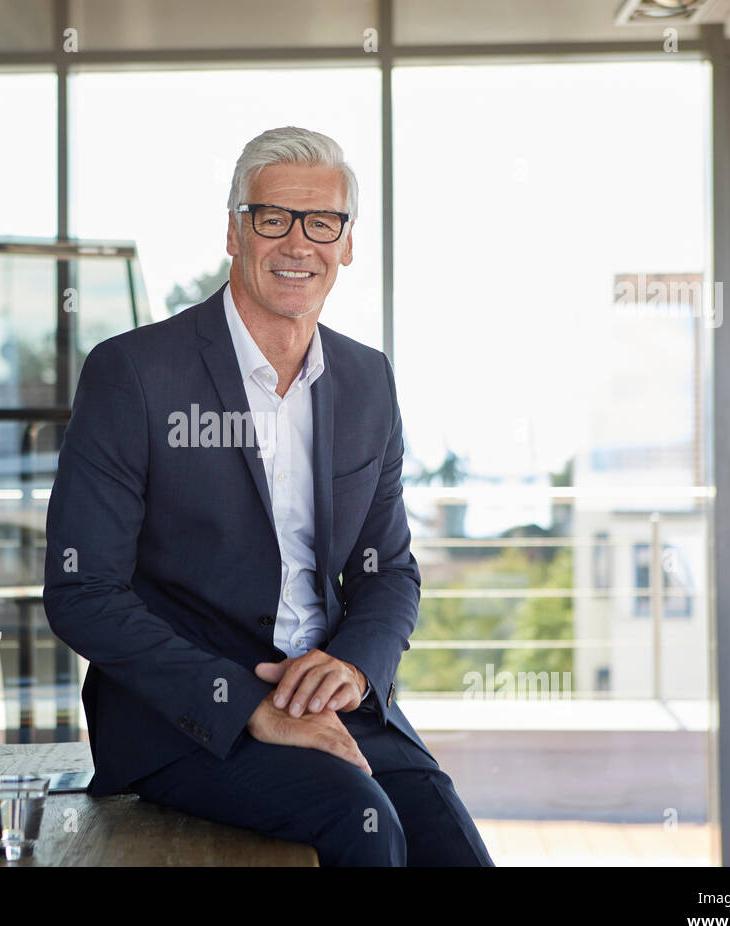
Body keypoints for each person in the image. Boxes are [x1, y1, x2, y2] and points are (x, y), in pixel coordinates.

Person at [43, 126, 492, 866]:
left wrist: (351, 666)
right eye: (272, 217)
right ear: (234, 230)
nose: (298, 243)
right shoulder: (135, 373)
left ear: (347, 244)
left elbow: (388, 572)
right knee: (360, 823)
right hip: (181, 713)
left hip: (329, 698)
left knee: (451, 846)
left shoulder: (367, 380)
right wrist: (245, 702)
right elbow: (81, 588)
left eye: (323, 222)